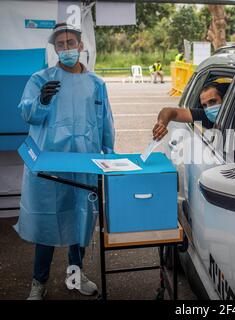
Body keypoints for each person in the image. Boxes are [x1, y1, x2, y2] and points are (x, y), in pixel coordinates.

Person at [14, 23, 115, 300]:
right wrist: (42, 100)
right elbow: (28, 114)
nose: (67, 48)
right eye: (61, 44)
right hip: (50, 163)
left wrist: (110, 156)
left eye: (71, 43)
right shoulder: (40, 79)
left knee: (79, 220)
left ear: (81, 46)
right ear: (55, 49)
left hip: (84, 162)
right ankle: (39, 281)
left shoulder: (97, 84)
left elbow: (106, 122)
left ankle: (75, 276)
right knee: (49, 222)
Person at [153, 82, 223, 141]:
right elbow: (168, 111)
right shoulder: (204, 115)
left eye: (213, 101)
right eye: (204, 105)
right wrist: (161, 123)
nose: (209, 108)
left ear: (224, 100)